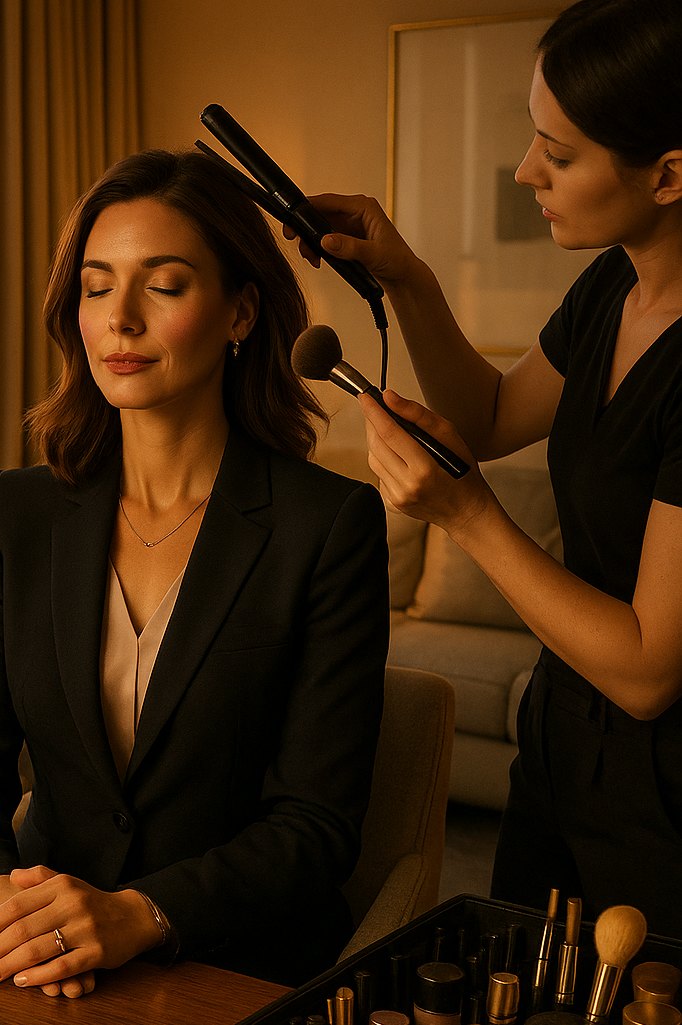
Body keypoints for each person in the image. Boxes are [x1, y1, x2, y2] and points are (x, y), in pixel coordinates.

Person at [0, 148, 390, 997]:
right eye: (97, 286)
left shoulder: (328, 527)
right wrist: (12, 920)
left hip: (231, 963)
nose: (119, 319)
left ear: (241, 312)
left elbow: (315, 826)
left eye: (163, 285)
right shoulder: (15, 513)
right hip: (40, 963)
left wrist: (137, 915)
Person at [288, 0, 682, 936]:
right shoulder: (611, 291)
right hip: (561, 746)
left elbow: (647, 671)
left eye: (560, 152)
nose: (524, 171)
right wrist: (406, 277)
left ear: (669, 174)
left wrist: (468, 516)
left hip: (663, 789)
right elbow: (491, 415)